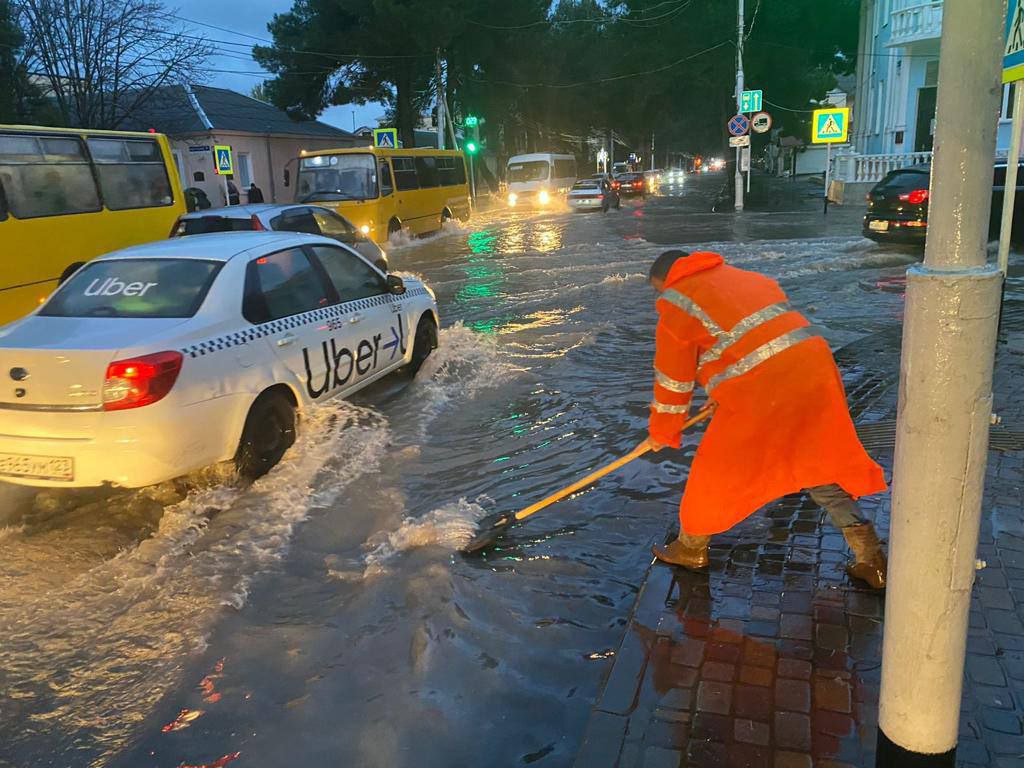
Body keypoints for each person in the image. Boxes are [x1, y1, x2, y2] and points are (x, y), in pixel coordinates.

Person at [644, 250, 889, 589]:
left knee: (715, 466)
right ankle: (872, 558)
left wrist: (662, 430)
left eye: (658, 290)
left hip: (766, 388)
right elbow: (750, 343)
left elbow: (673, 378)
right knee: (814, 461)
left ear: (665, 280)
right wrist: (722, 394)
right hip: (815, 370)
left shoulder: (677, 300)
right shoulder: (743, 278)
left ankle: (691, 547)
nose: (660, 296)